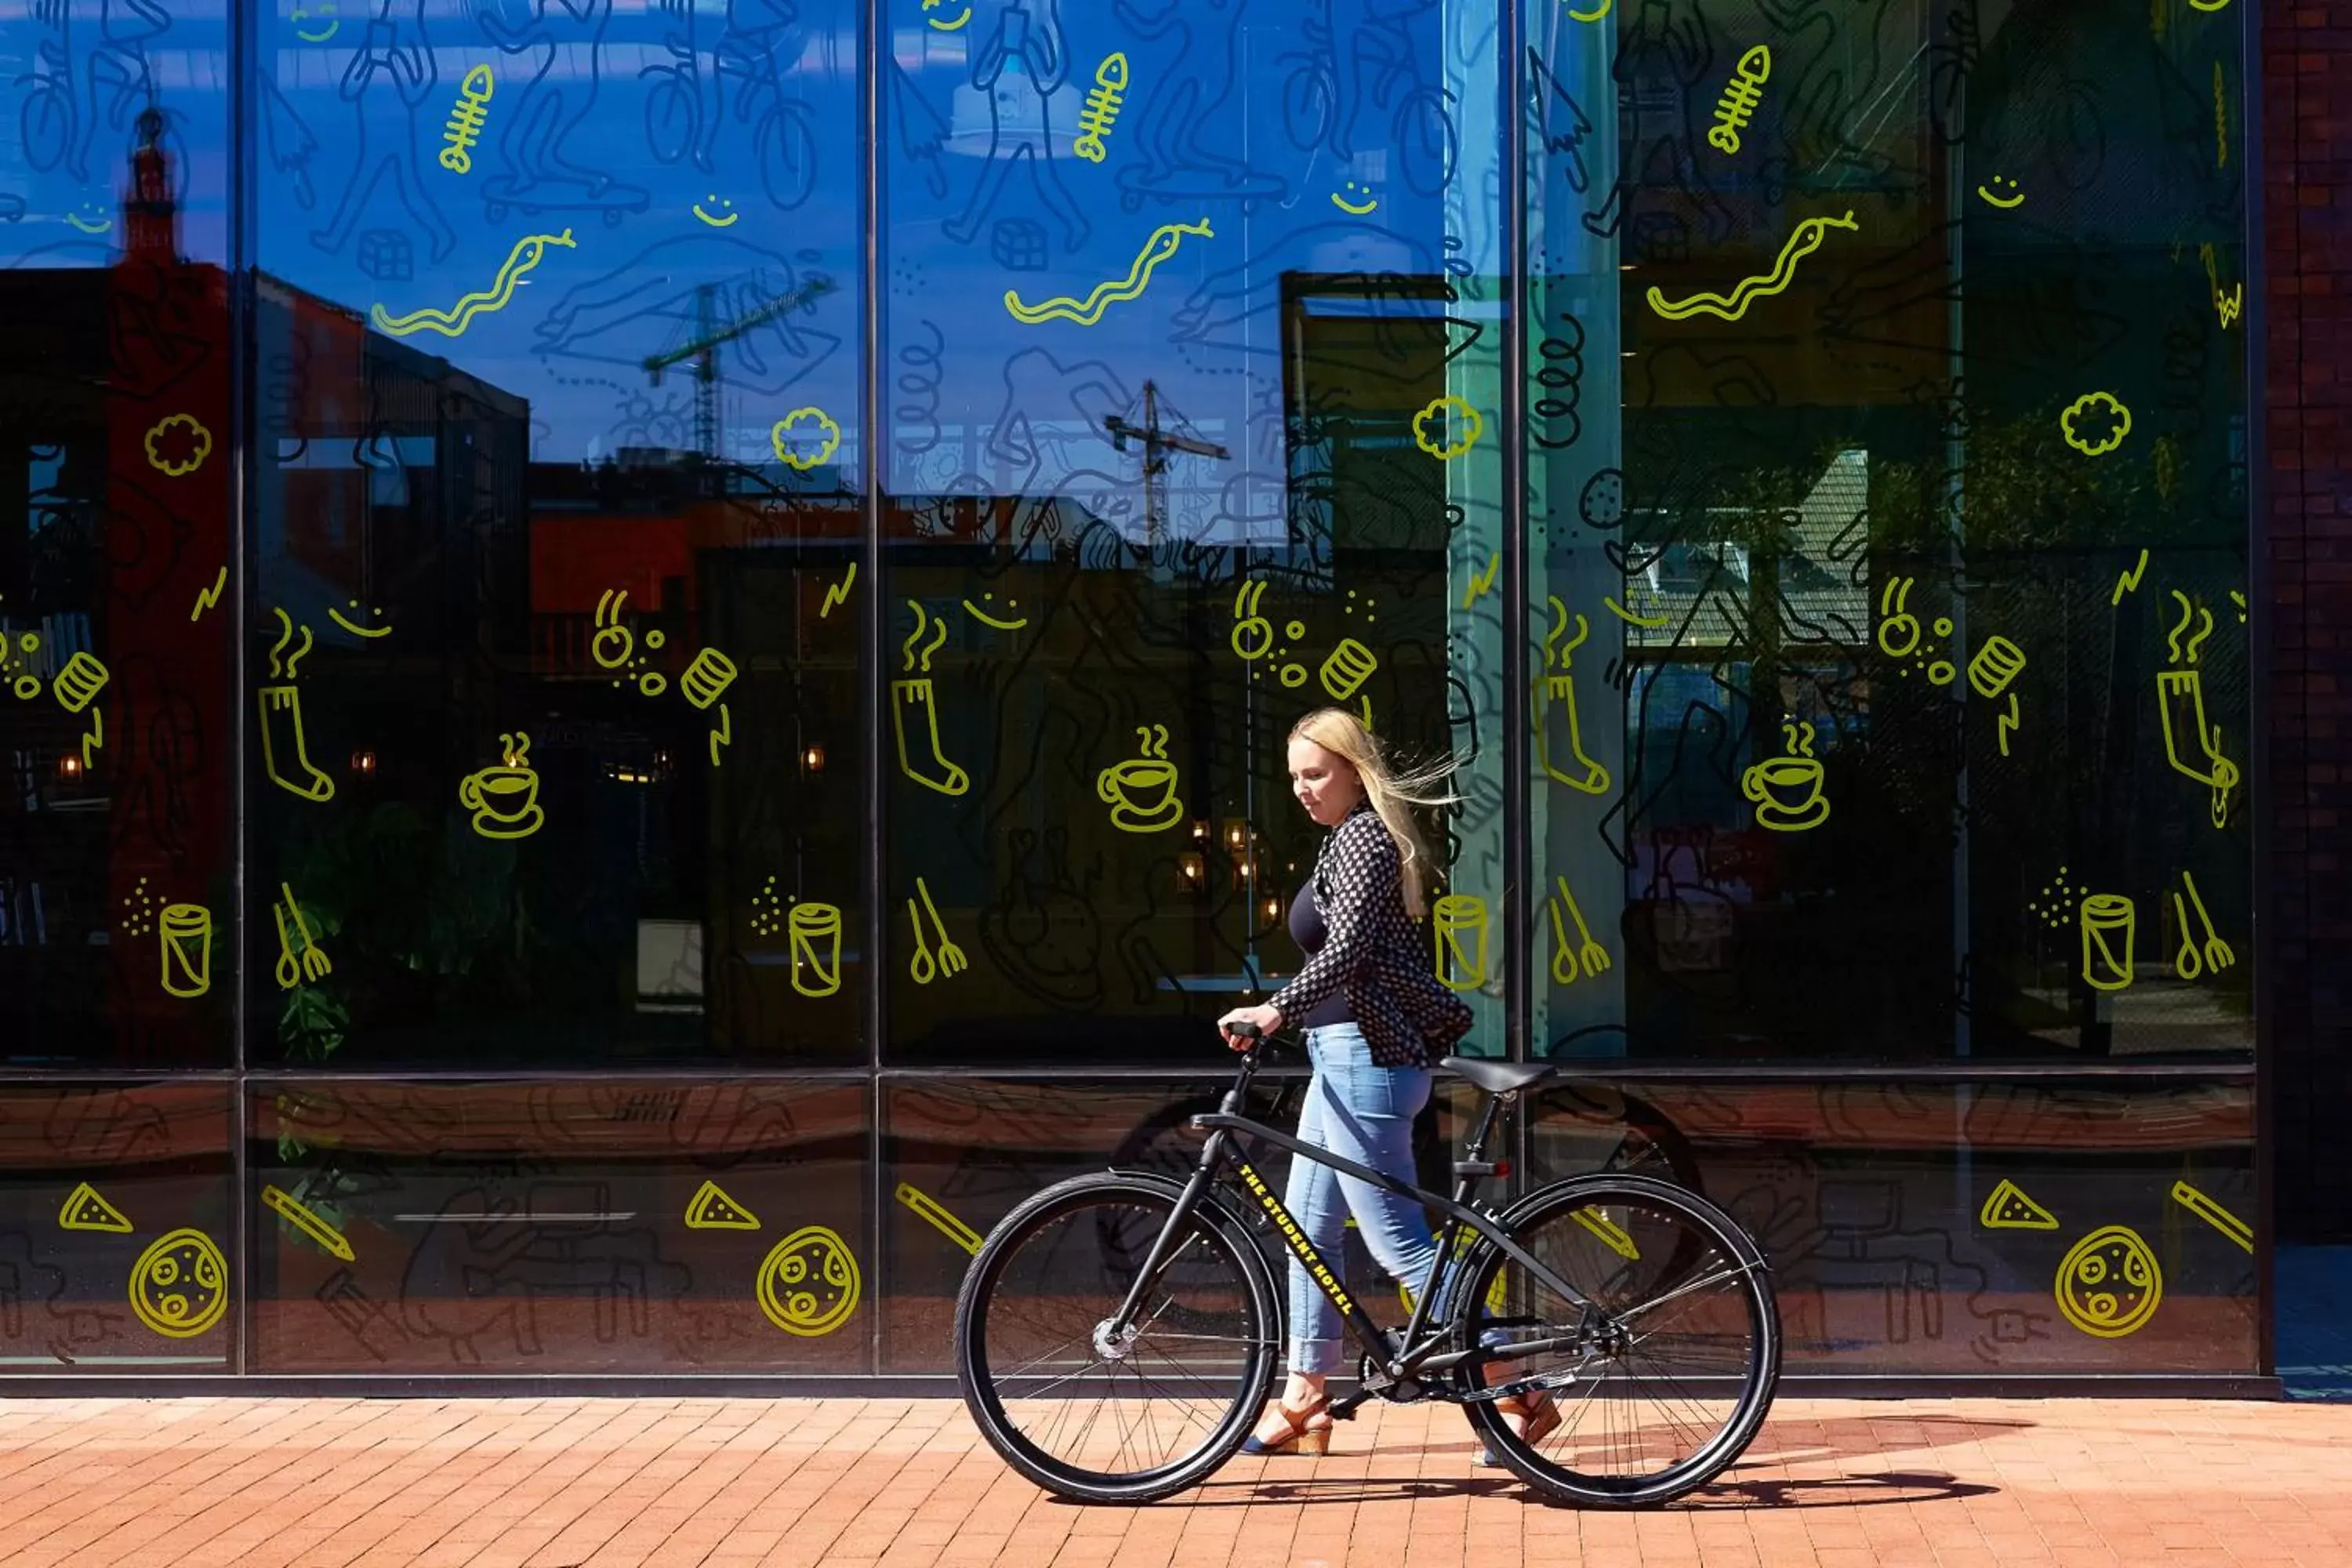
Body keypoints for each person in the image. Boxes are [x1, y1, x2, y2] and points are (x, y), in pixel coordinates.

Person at [1217, 708, 1558, 1460]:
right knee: (1308, 1230)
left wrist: (1274, 1009)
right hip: (1339, 1053)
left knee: (1397, 1239)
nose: (1302, 790)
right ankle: (1306, 1387)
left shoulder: (1367, 839)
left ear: (1353, 771)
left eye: (1316, 774)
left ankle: (1516, 1384)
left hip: (1368, 1059)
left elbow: (1349, 955)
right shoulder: (1344, 842)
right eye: (1295, 778)